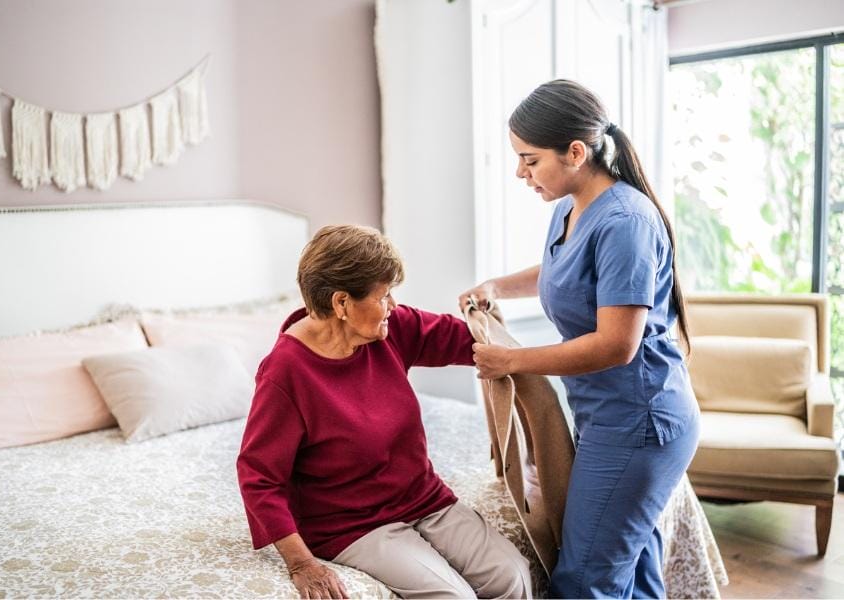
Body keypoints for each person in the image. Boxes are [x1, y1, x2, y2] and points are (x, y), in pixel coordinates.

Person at [459, 79, 700, 599]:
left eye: (529, 160)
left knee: (586, 579)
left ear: (575, 152)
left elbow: (618, 345)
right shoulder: (570, 207)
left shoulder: (626, 222)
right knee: (631, 573)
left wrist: (512, 360)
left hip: (641, 423)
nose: (520, 173)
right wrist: (497, 285)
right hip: (609, 416)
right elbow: (560, 270)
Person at [237, 225, 531, 600]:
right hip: (349, 524)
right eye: (384, 295)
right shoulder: (285, 372)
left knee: (513, 576)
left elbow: (470, 342)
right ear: (341, 304)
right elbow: (259, 477)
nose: (393, 304)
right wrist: (301, 563)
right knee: (452, 597)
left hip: (422, 497)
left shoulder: (391, 329)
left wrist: (498, 327)